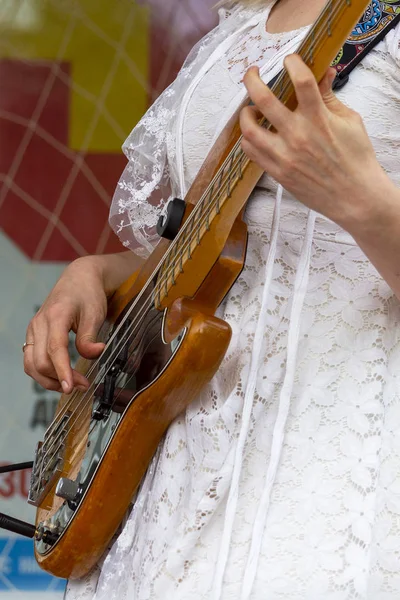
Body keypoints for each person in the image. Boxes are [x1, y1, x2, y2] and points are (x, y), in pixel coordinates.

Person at [23, 0, 400, 598]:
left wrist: (365, 205)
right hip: (165, 486)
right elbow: (225, 245)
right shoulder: (240, 28)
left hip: (329, 480)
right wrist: (96, 271)